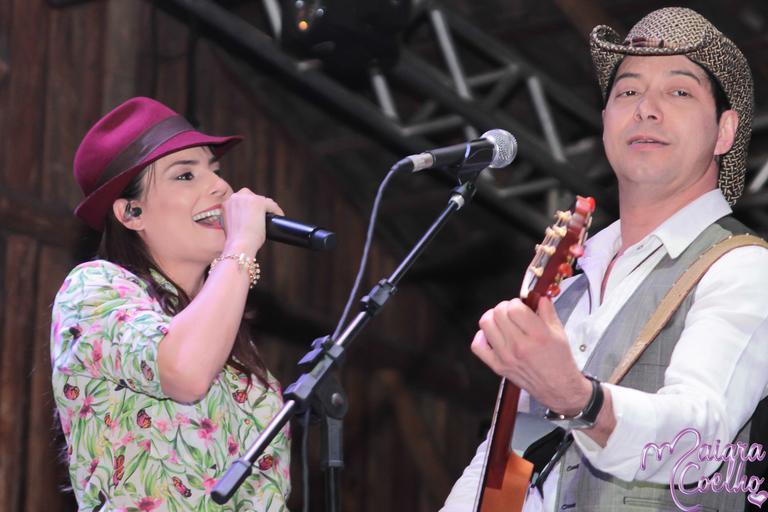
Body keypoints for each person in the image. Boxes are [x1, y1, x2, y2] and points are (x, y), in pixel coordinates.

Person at [442, 7, 768, 512]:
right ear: (605, 123)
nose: (646, 109)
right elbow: (508, 461)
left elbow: (699, 437)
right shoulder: (570, 284)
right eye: (628, 92)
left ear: (725, 131)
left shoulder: (743, 268)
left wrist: (581, 399)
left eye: (679, 92)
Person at [50, 97, 290, 511]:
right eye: (185, 175)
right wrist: (241, 246)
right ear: (131, 213)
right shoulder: (93, 289)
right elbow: (183, 371)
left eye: (215, 171)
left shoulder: (230, 338)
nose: (221, 187)